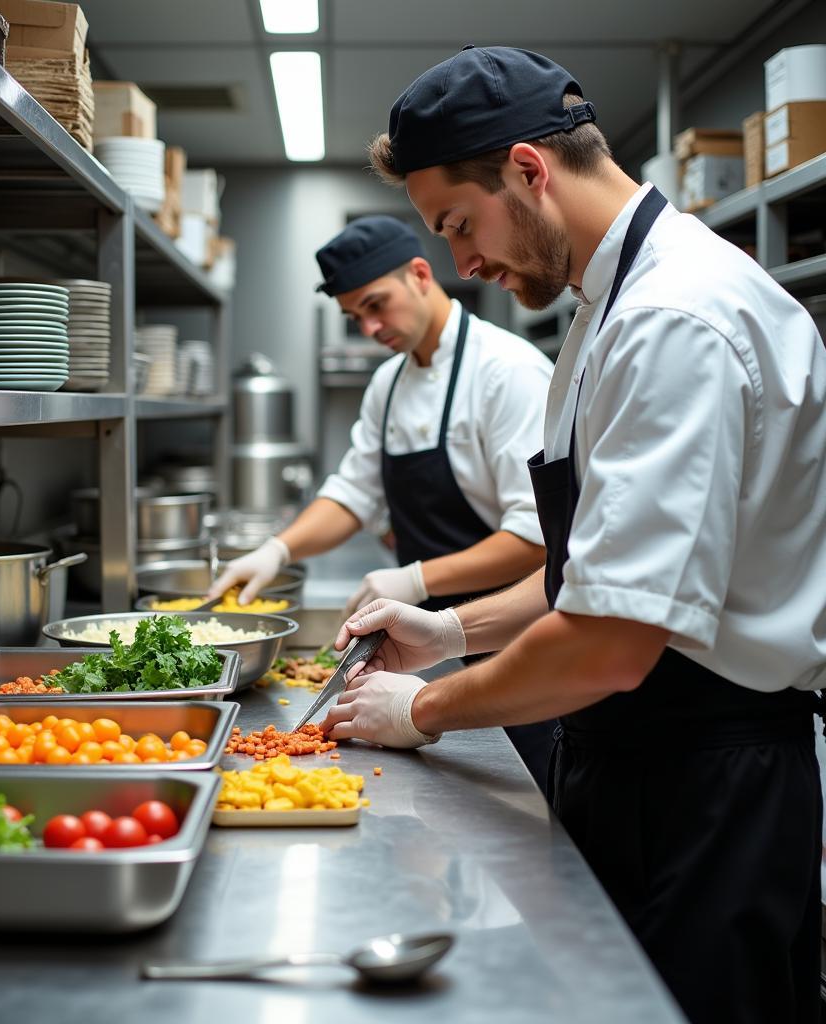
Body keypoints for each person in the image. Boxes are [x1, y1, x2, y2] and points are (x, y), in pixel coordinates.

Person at [324, 46, 826, 1024]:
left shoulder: (675, 317)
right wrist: (453, 631)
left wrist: (422, 709)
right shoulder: (607, 312)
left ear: (526, 169)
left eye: (458, 226)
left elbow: (607, 639)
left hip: (706, 791)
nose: (461, 263)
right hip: (635, 762)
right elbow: (592, 575)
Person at [208, 214, 557, 784]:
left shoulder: (506, 373)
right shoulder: (389, 382)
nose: (369, 327)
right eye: (355, 316)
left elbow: (536, 538)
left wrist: (416, 578)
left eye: (375, 305)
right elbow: (351, 494)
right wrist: (276, 550)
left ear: (421, 274)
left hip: (513, 641)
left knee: (521, 794)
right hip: (424, 644)